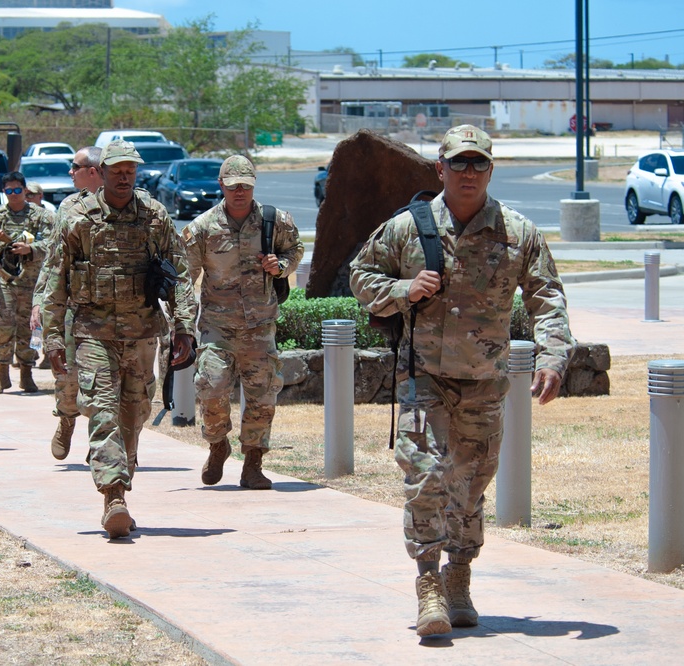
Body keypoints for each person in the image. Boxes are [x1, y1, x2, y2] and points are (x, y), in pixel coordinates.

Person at [348, 125, 574, 637]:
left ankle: (460, 576)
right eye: (458, 163)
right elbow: (361, 276)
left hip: (484, 384)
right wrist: (405, 289)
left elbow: (547, 298)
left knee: (468, 491)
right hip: (423, 378)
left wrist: (553, 356)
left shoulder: (517, 233)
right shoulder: (408, 228)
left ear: (490, 170)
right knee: (426, 478)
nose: (468, 173)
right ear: (440, 169)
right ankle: (428, 584)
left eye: (478, 164)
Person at [40, 140, 197, 538]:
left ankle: (121, 479)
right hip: (93, 331)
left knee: (134, 416)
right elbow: (55, 282)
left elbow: (179, 275)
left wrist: (184, 329)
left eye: (131, 169)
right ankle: (114, 496)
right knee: (103, 410)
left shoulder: (155, 217)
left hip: (143, 332)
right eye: (117, 170)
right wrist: (53, 338)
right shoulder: (77, 218)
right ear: (102, 173)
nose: (125, 176)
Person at [182, 155, 303, 491]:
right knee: (212, 387)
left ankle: (253, 464)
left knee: (263, 396)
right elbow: (184, 278)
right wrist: (180, 324)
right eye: (233, 186)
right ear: (221, 185)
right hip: (218, 325)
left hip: (260, 326)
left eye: (246, 186)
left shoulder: (273, 220)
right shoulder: (203, 228)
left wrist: (281, 266)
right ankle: (218, 444)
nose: (240, 192)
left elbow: (295, 249)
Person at [31, 145, 103, 460]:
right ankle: (66, 420)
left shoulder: (125, 204)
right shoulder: (68, 206)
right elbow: (53, 259)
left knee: (107, 380)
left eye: (75, 166)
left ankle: (103, 441)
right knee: (68, 374)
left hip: (113, 307)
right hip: (73, 305)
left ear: (94, 170)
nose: (70, 173)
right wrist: (39, 300)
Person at [0, 171, 56, 394]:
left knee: (30, 328)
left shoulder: (42, 216)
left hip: (32, 283)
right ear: (4, 193)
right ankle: (2, 374)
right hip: (4, 282)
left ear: (25, 190)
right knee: (3, 327)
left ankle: (27, 372)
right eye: (8, 191)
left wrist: (31, 249)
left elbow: (53, 244)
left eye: (17, 190)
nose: (13, 195)